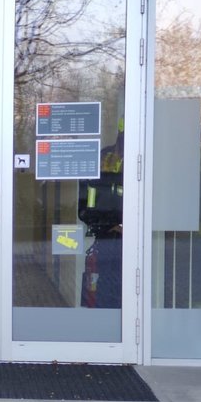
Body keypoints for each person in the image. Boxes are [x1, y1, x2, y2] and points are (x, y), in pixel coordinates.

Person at [78, 125, 124, 309]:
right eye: (123, 135)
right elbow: (86, 205)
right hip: (107, 237)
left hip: (132, 236)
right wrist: (109, 225)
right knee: (104, 284)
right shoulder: (104, 157)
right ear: (119, 134)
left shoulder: (140, 156)